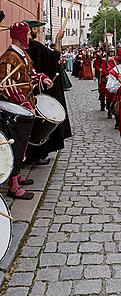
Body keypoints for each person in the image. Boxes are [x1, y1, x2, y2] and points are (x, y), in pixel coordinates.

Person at [0, 22, 53, 199]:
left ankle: (17, 176)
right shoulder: (9, 58)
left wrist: (42, 78)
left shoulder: (23, 56)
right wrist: (23, 102)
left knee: (22, 145)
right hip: (14, 111)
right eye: (28, 34)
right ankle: (13, 186)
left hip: (24, 107)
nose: (30, 37)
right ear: (20, 35)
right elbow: (6, 85)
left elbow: (30, 74)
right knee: (16, 145)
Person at [24, 20, 72, 165]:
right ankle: (35, 155)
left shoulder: (28, 48)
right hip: (33, 92)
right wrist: (58, 40)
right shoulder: (35, 46)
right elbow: (54, 59)